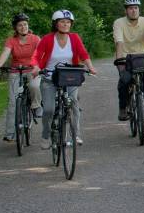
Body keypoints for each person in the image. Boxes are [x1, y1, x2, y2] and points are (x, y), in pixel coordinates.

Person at [32, 9, 98, 149]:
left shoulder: (74, 38)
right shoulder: (48, 39)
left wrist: (90, 67)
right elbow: (36, 55)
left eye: (68, 22)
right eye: (62, 22)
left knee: (73, 103)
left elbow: (83, 54)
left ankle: (76, 134)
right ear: (56, 24)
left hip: (69, 77)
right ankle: (46, 135)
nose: (65, 24)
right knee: (49, 109)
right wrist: (36, 67)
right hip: (49, 78)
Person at [0, 13, 42, 142]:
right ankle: (10, 134)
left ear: (28, 25)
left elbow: (42, 53)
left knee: (34, 86)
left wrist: (39, 66)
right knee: (13, 102)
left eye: (25, 24)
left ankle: (36, 106)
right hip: (16, 70)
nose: (23, 27)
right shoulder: (11, 40)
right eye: (20, 25)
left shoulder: (35, 39)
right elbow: (6, 52)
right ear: (15, 28)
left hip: (32, 70)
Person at [113, 0, 144, 122]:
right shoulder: (119, 23)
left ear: (139, 10)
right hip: (126, 57)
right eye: (131, 8)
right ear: (126, 11)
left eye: (136, 8)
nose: (134, 10)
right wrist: (119, 61)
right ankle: (123, 108)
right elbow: (119, 43)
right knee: (124, 81)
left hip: (143, 57)